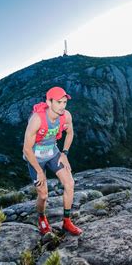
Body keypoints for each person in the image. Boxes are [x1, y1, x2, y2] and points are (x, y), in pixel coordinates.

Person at [22, 86, 82, 235]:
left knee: (69, 183)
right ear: (49, 102)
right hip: (35, 157)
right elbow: (26, 149)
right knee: (43, 195)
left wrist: (64, 153)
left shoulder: (66, 116)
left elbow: (70, 132)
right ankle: (41, 217)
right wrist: (39, 172)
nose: (63, 106)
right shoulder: (37, 120)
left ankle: (67, 222)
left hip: (53, 152)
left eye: (64, 102)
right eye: (59, 102)